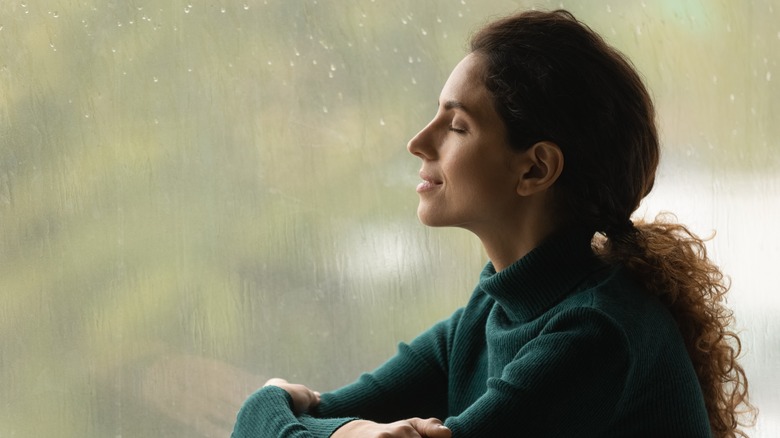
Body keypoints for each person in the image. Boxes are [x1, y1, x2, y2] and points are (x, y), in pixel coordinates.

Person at [232, 9, 753, 437]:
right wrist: (343, 430)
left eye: (457, 125)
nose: (418, 142)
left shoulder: (598, 334)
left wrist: (278, 407)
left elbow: (279, 419)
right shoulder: (490, 312)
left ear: (535, 169)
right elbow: (286, 418)